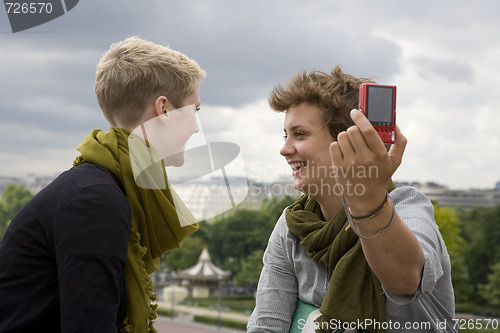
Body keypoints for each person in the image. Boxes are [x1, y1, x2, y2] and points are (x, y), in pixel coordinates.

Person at [0, 36, 205, 332]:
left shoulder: (96, 187)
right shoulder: (96, 202)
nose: (196, 127)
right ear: (163, 109)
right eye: (194, 110)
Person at [247, 66, 456, 333]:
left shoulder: (408, 207)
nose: (285, 149)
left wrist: (367, 198)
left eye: (299, 134)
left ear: (350, 141)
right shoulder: (292, 226)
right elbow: (267, 325)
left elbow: (405, 281)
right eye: (285, 135)